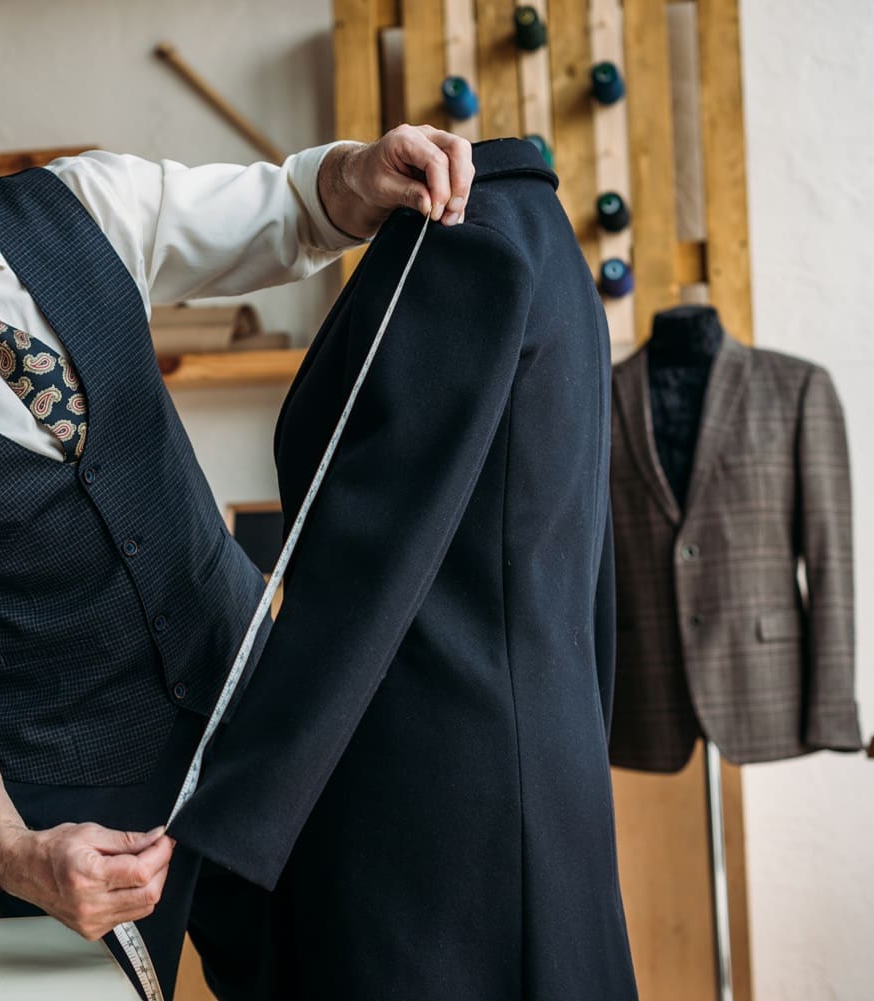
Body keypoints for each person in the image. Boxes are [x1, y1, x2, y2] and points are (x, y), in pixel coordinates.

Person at [0, 14, 475, 999]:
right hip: (63, 812)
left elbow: (287, 208)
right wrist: (14, 848)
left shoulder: (85, 206)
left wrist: (365, 171)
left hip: (260, 713)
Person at [169, 139, 641, 999]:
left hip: (430, 804)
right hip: (539, 769)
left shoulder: (463, 244)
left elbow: (365, 565)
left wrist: (226, 825)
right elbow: (585, 567)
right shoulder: (551, 247)